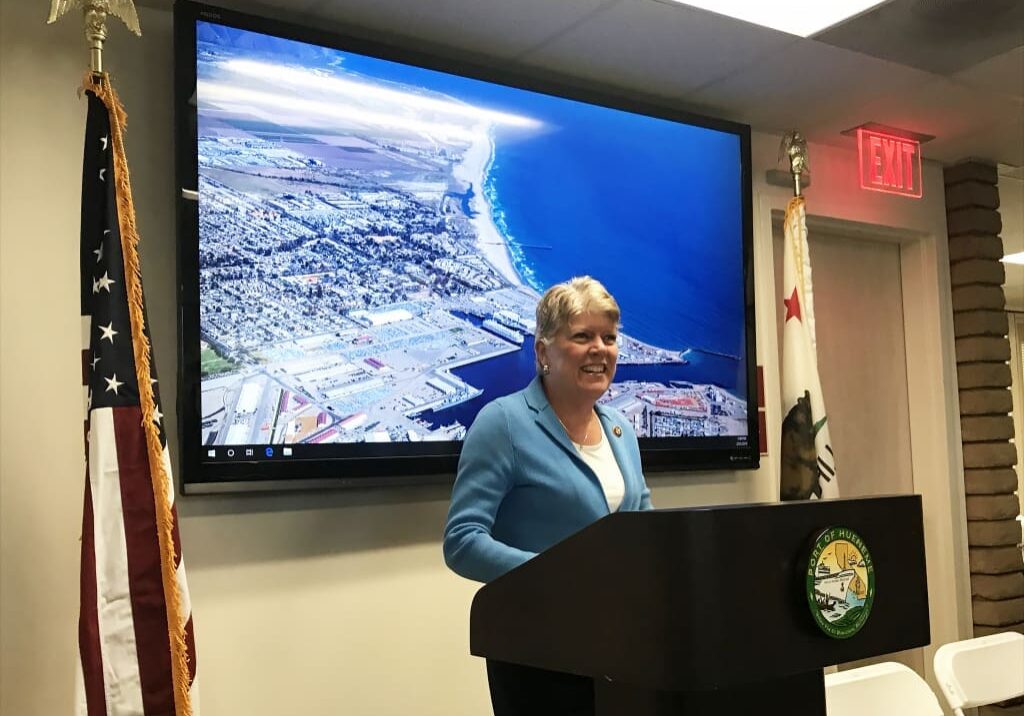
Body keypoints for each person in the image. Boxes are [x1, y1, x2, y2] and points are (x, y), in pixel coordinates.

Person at [443, 276, 653, 716]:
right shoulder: (502, 423)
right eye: (582, 336)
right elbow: (462, 541)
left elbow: (644, 529)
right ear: (543, 352)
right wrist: (554, 576)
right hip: (535, 648)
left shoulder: (621, 429)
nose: (600, 348)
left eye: (609, 337)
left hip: (619, 643)